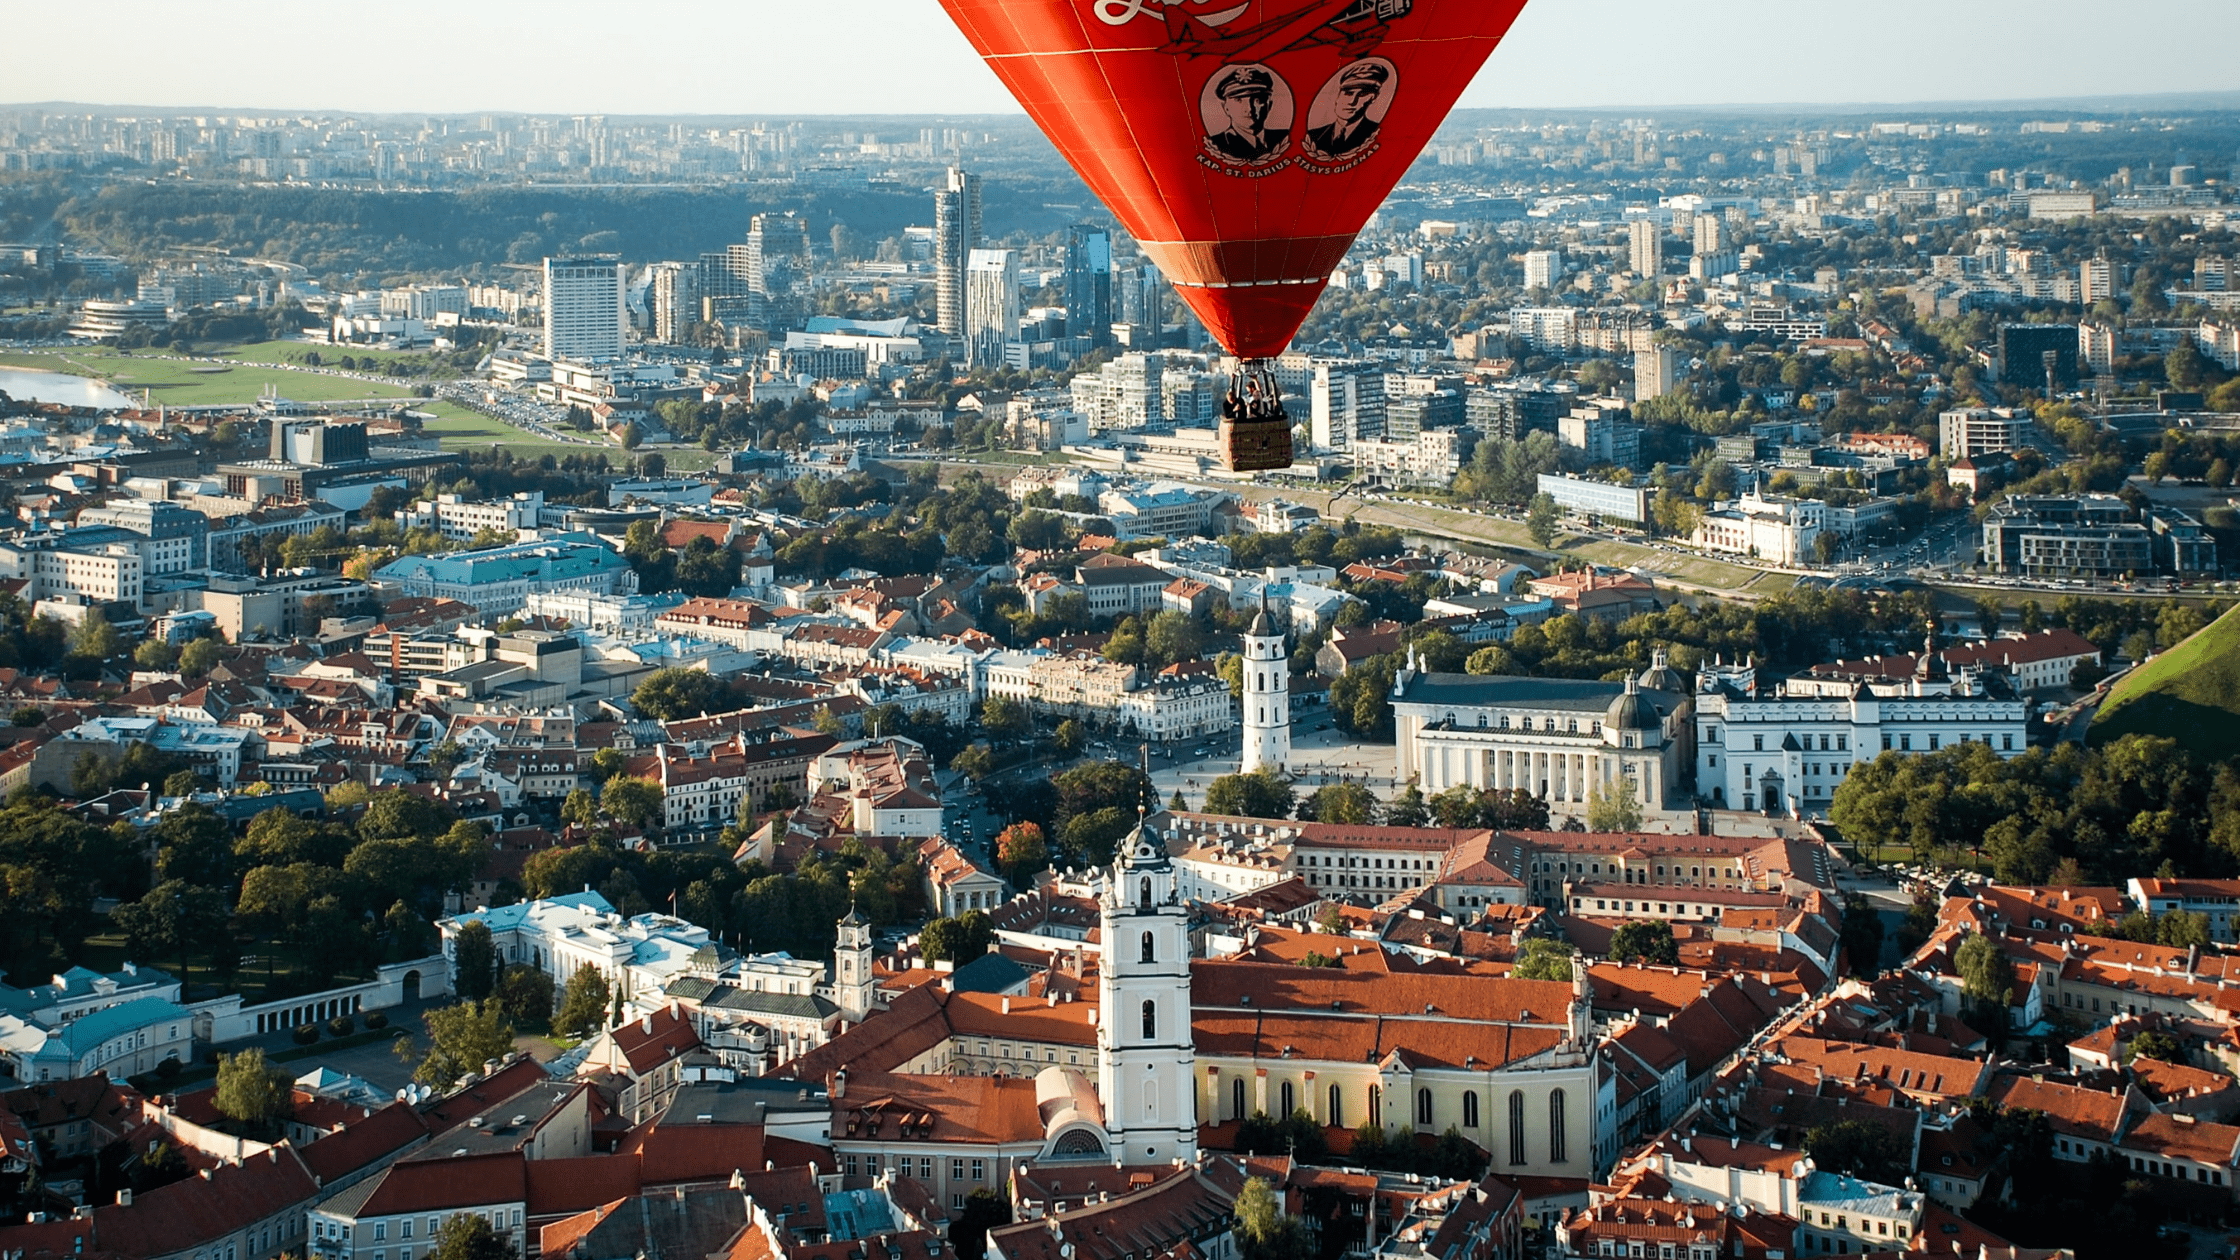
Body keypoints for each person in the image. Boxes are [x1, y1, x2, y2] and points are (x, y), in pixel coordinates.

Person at [1306, 60, 1389, 159]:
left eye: (1362, 94)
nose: (1352, 101)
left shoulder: (1376, 133)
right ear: (1338, 96)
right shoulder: (1315, 134)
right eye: (1348, 93)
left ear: (1373, 98)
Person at [1205, 65, 1288, 163]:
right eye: (1238, 100)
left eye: (1257, 100)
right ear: (1225, 108)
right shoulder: (1215, 144)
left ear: (1269, 105)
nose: (1249, 109)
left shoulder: (1285, 137)